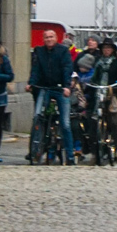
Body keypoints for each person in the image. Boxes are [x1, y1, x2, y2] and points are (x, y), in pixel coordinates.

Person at [27, 29, 75, 164]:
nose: (49, 39)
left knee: (65, 123)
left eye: (51, 37)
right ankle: (34, 150)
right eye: (46, 37)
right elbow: (35, 69)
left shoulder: (63, 51)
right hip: (44, 88)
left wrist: (66, 86)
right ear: (43, 39)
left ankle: (70, 156)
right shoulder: (39, 51)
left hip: (60, 88)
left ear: (56, 38)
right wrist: (31, 83)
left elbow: (67, 68)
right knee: (37, 116)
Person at [88, 38, 117, 161]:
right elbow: (93, 77)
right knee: (93, 121)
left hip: (113, 94)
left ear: (112, 50)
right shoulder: (97, 62)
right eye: (104, 48)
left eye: (109, 48)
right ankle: (95, 150)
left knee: (113, 122)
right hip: (98, 93)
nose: (106, 50)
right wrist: (89, 83)